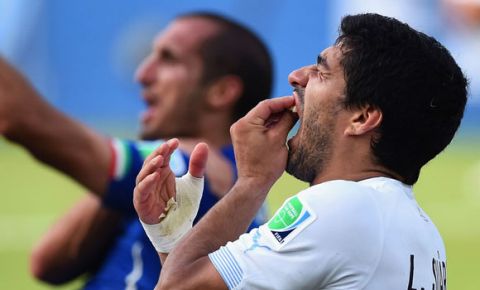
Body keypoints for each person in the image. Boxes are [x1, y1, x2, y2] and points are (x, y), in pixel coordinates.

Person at [134, 13, 468, 289]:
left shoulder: (343, 207)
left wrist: (252, 181)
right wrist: (174, 241)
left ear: (362, 118)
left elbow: (175, 288)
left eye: (321, 72)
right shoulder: (424, 236)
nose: (297, 77)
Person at [0, 12, 272, 289]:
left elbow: (23, 119)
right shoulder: (221, 180)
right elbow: (47, 264)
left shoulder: (190, 167)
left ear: (221, 91)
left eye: (168, 58)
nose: (142, 74)